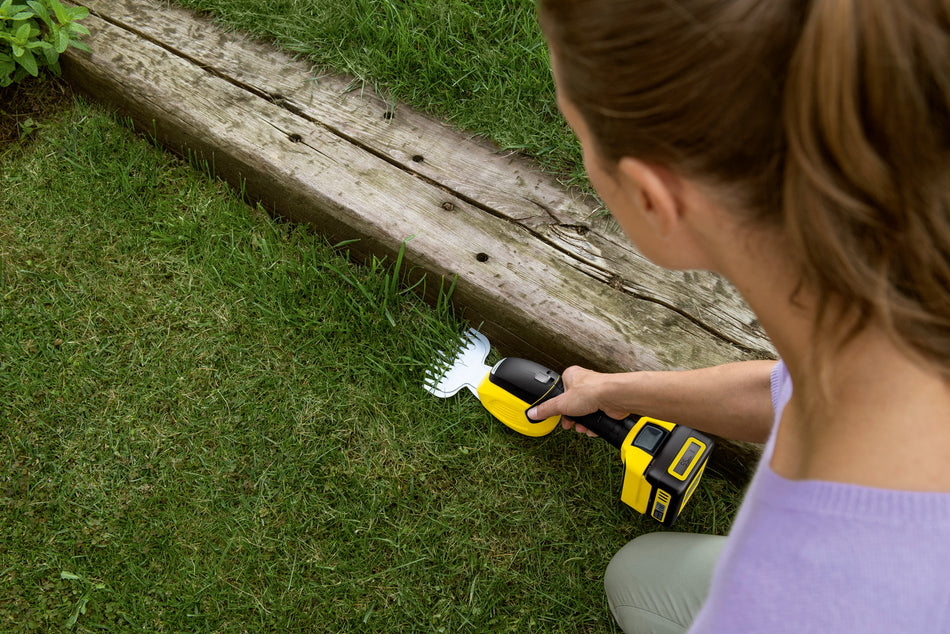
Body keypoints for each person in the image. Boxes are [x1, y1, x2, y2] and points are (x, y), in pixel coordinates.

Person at [526, 1, 950, 632]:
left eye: (578, 134)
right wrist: (613, 391)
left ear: (653, 198)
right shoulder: (900, 283)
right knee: (638, 577)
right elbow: (786, 389)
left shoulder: (792, 604)